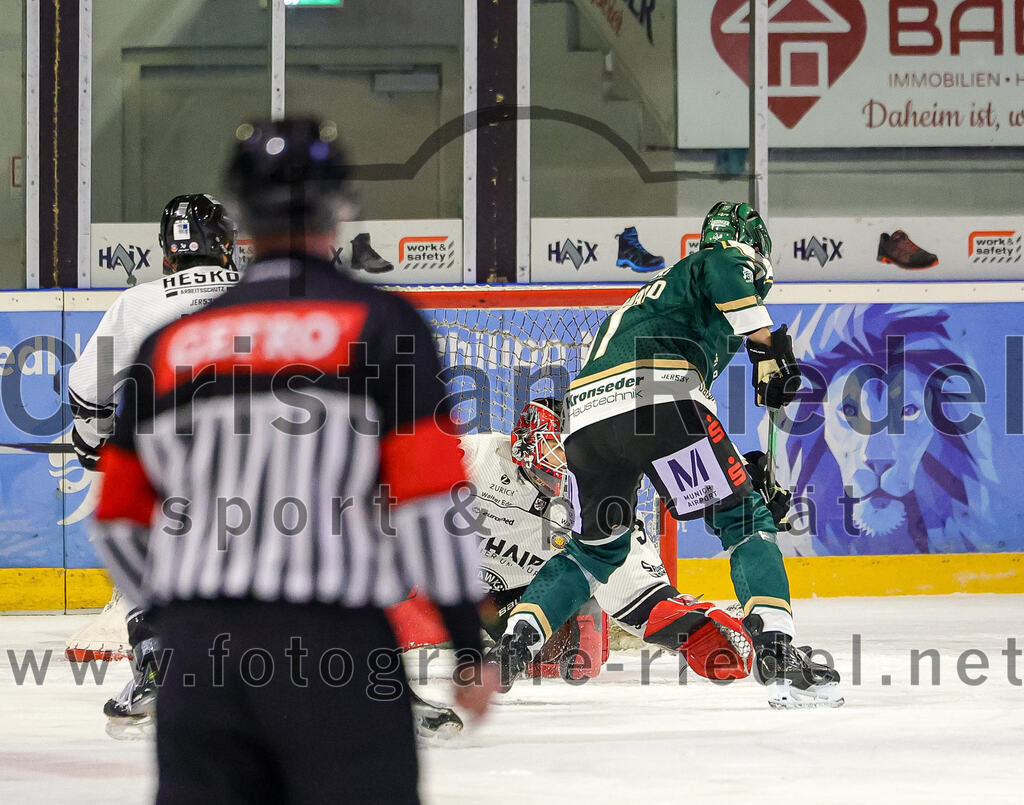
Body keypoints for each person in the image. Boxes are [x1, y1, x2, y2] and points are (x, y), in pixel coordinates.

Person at [91, 117, 496, 803]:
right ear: (341, 209)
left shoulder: (169, 344)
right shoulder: (383, 324)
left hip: (201, 665)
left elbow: (118, 522)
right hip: (337, 651)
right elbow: (431, 503)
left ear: (242, 219)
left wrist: (178, 621)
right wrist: (465, 641)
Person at [487, 202, 844, 709]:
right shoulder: (715, 261)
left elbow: (655, 426)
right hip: (659, 399)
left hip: (587, 420)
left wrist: (734, 470)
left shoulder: (658, 304)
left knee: (596, 551)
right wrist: (769, 347)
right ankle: (778, 653)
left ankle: (515, 644)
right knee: (745, 521)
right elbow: (722, 264)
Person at [404, 397, 756, 733]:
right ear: (528, 445)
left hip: (520, 597)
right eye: (559, 448)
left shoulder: (597, 498)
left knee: (571, 661)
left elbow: (640, 594)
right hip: (446, 583)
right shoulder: (478, 458)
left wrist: (691, 630)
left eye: (573, 448)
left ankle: (538, 631)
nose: (568, 460)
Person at [67, 193, 240, 726]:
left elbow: (87, 386)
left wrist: (93, 441)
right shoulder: (265, 295)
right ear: (227, 245)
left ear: (168, 251)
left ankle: (152, 664)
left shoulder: (138, 303)